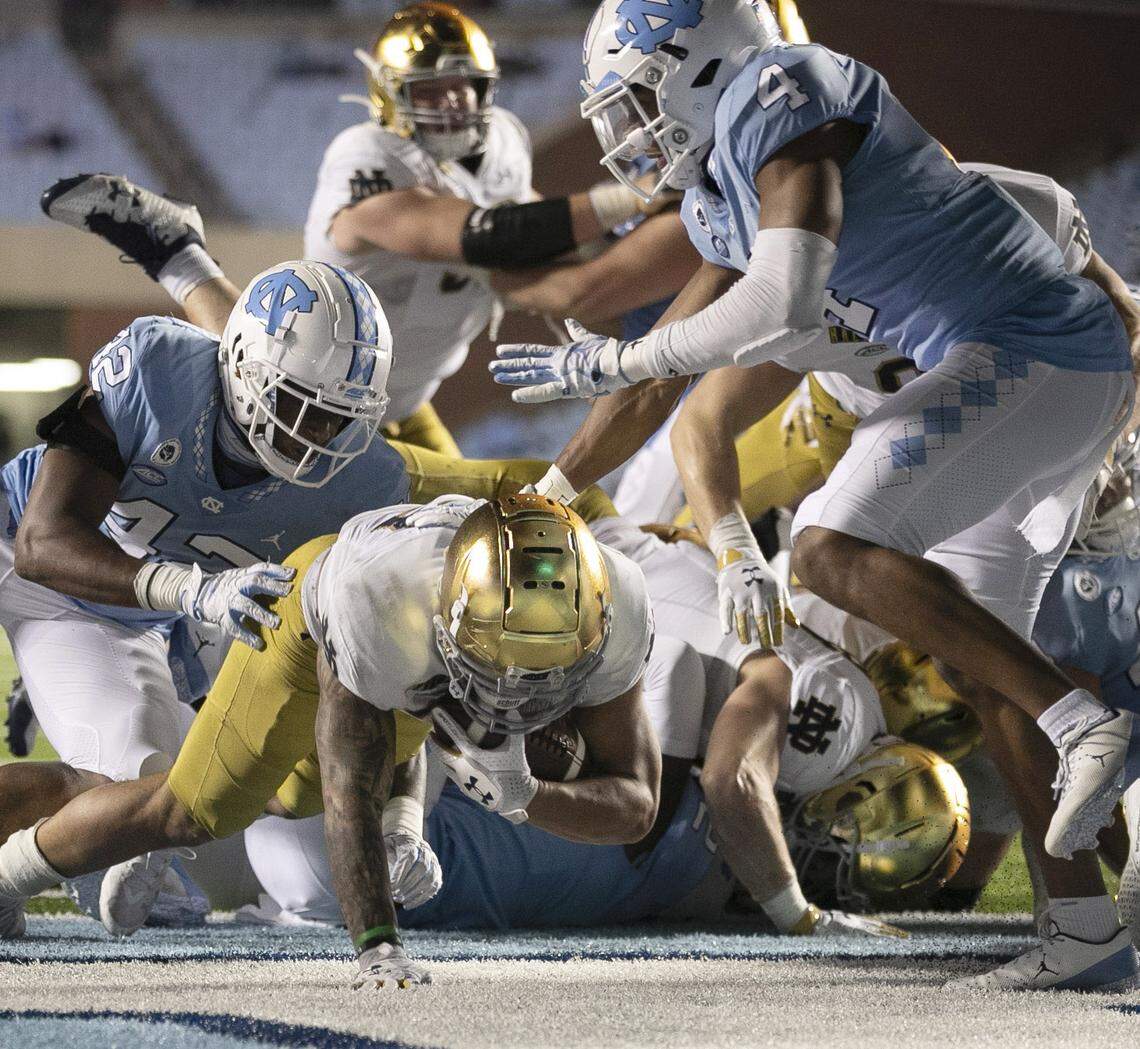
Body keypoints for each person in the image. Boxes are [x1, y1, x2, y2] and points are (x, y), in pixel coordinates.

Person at [488, 0, 1139, 990]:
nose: (627, 134)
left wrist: (1111, 446)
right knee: (981, 664)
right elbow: (686, 405)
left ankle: (1082, 733)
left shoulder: (926, 179)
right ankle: (1084, 919)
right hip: (928, 416)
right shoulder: (737, 214)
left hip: (1020, 381)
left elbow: (1115, 324)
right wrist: (567, 492)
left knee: (841, 550)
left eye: (635, 102)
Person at [0, 493, 659, 992]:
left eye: (546, 665)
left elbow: (636, 807)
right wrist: (379, 946)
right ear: (449, 613)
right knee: (197, 811)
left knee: (286, 798)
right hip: (307, 617)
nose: (516, 689)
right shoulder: (380, 604)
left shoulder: (620, 606)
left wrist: (526, 796)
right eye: (499, 657)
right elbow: (353, 785)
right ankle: (10, 875)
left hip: (411, 654)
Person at [0, 257, 404, 871]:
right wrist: (191, 591)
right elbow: (42, 542)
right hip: (22, 541)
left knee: (136, 789)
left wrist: (404, 820)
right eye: (299, 405)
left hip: (129, 612)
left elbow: (385, 659)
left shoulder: (369, 484)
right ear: (241, 365)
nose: (319, 436)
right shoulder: (160, 368)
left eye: (340, 417)